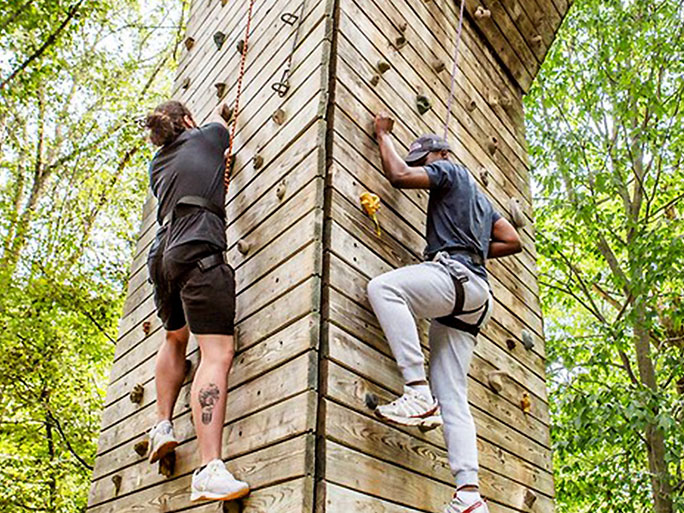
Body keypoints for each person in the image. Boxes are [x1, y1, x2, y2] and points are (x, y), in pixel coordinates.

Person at [367, 112, 522, 513]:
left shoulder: (450, 170)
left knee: (384, 289)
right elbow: (513, 240)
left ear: (438, 154)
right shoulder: (481, 202)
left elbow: (399, 176)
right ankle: (469, 496)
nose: (425, 173)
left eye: (426, 163)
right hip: (476, 296)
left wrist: (383, 135)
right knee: (452, 395)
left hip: (454, 276)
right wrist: (473, 247)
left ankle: (416, 392)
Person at [143, 100, 249, 503]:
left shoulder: (157, 165)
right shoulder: (208, 136)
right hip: (197, 247)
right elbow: (223, 125)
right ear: (188, 121)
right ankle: (209, 469)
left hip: (162, 255)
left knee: (174, 337)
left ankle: (162, 424)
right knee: (216, 353)